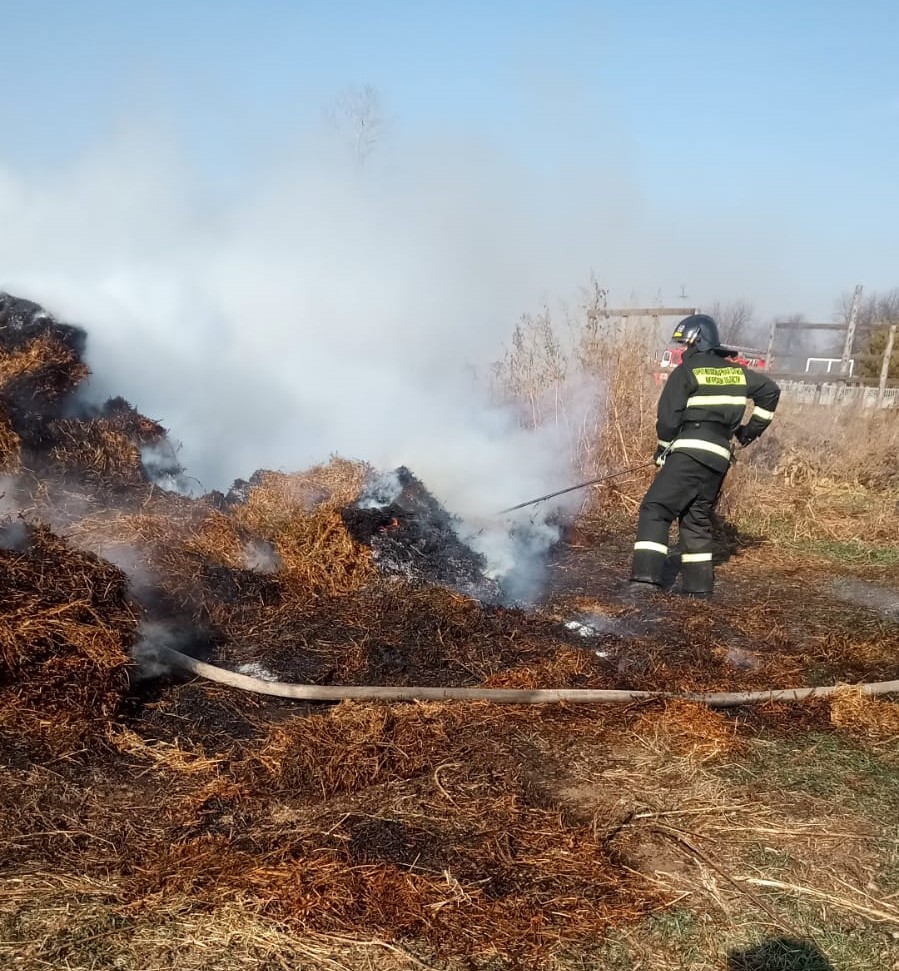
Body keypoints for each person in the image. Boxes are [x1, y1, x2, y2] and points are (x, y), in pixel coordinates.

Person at [630, 313, 781, 597]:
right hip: (719, 457)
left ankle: (644, 582)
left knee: (656, 508)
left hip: (690, 451)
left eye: (687, 346)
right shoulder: (737, 373)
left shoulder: (687, 371)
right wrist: (749, 432)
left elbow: (668, 417)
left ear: (698, 342)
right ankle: (698, 589)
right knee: (695, 518)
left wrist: (663, 448)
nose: (684, 352)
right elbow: (771, 391)